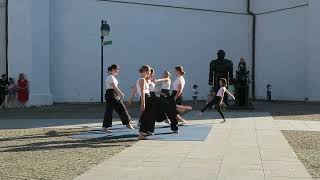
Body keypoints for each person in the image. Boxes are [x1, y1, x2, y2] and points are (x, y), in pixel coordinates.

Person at [136, 65, 178, 140]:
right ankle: (141, 134)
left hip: (148, 98)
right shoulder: (141, 80)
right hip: (146, 98)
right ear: (145, 71)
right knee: (147, 116)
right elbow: (142, 92)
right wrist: (143, 103)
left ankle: (141, 134)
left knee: (148, 116)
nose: (150, 73)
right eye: (149, 71)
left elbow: (150, 89)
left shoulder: (144, 80)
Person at [102, 64, 134, 133]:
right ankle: (105, 128)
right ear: (113, 69)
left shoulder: (112, 77)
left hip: (113, 94)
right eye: (117, 70)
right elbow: (113, 86)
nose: (118, 71)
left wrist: (118, 93)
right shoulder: (110, 77)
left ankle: (127, 123)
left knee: (120, 109)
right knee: (116, 109)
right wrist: (120, 93)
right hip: (111, 94)